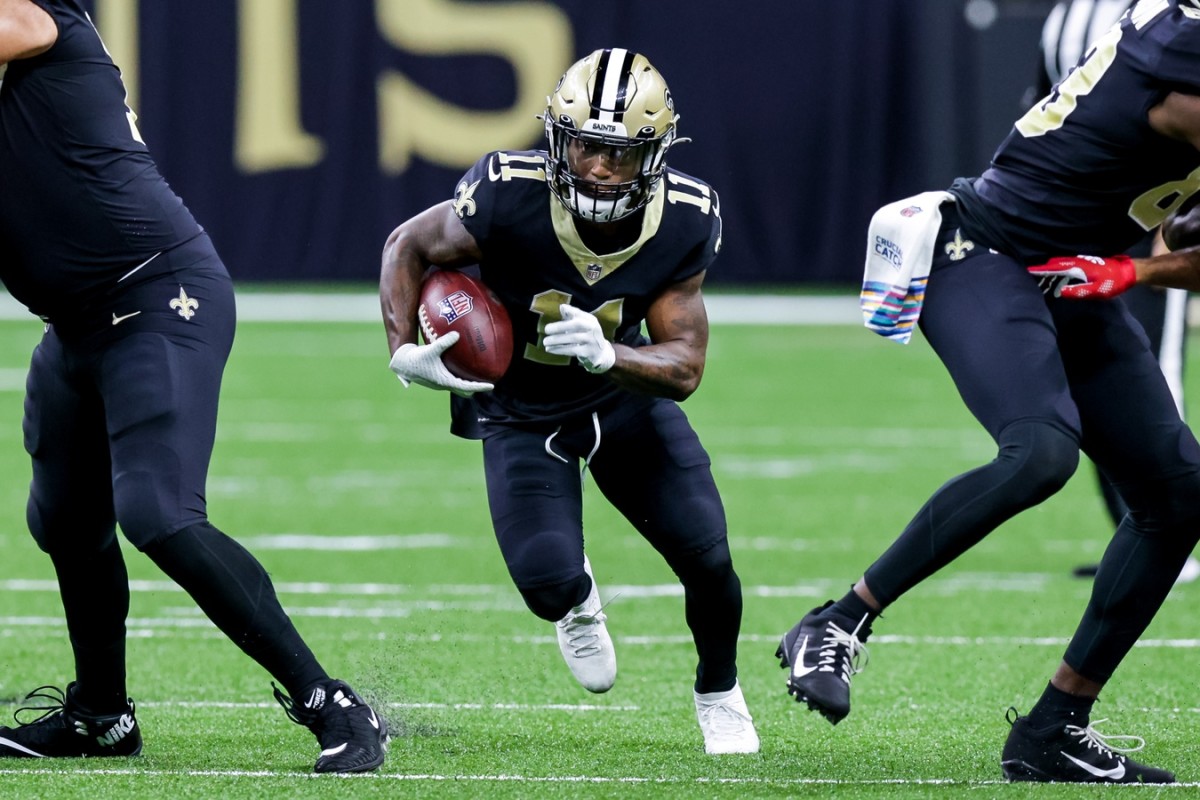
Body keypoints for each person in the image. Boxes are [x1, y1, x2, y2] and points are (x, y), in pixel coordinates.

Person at [779, 0, 1200, 784]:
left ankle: (1054, 728)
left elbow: (1183, 247)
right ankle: (837, 623)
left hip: (1072, 272)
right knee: (1040, 452)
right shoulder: (1177, 56)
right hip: (984, 249)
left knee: (1178, 495)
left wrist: (1134, 269)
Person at [0, 0, 387, 773]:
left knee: (158, 512)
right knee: (65, 521)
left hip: (155, 294)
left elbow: (18, 24)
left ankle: (332, 702)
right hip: (75, 325)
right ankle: (101, 717)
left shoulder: (44, 18)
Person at [380, 47, 759, 755]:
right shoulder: (505, 193)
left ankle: (719, 692)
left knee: (708, 555)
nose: (600, 168)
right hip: (520, 408)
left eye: (621, 153)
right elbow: (408, 244)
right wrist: (402, 346)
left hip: (621, 399)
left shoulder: (683, 217)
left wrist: (613, 355)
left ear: (656, 154)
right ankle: (578, 602)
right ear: (558, 138)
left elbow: (684, 365)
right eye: (586, 146)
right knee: (547, 583)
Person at [1031, 0, 1198, 583]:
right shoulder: (1065, 16)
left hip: (1146, 230)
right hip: (1075, 232)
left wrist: (1166, 230)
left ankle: (1172, 535)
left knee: (1153, 380)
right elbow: (1045, 113)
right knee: (1090, 386)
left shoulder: (1162, 15)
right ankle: (1137, 534)